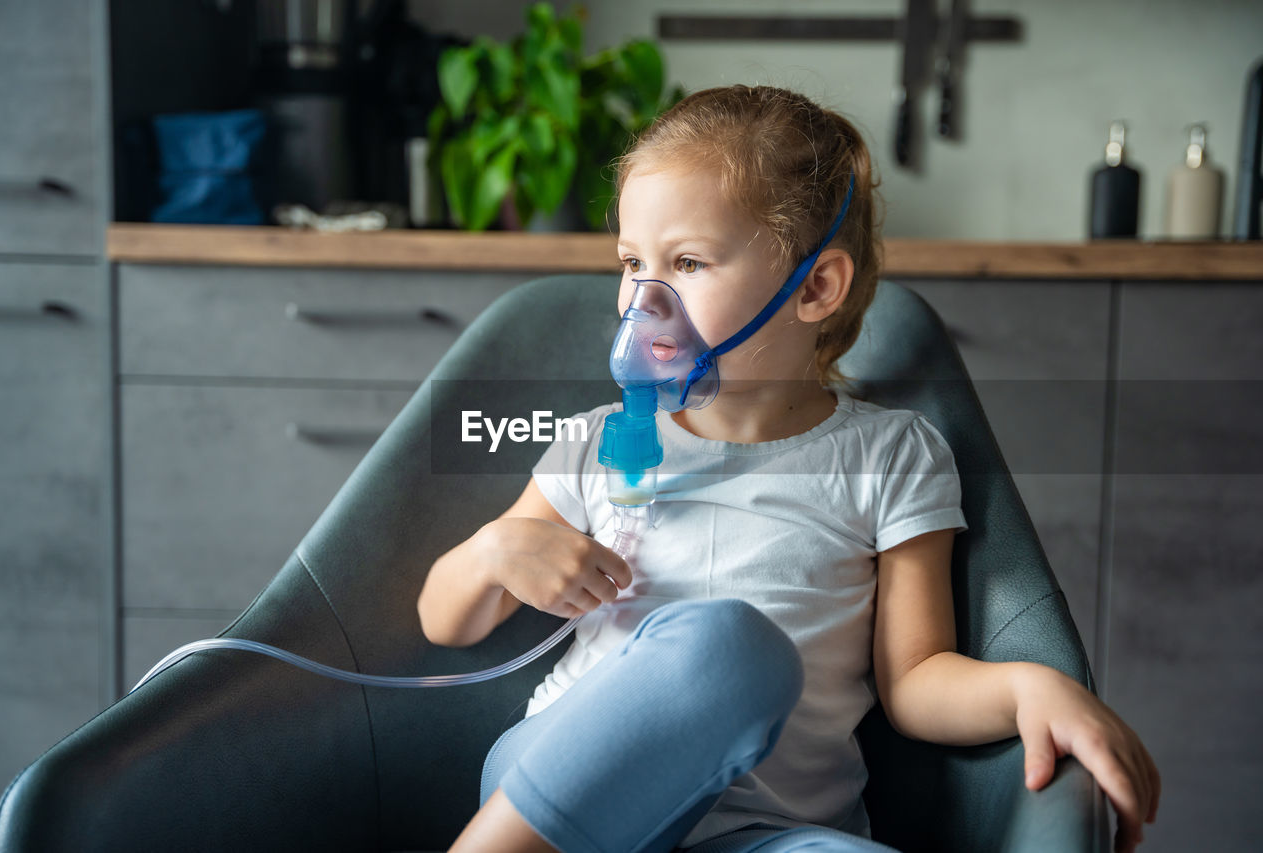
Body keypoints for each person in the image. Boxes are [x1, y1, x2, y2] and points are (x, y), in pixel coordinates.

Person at [417, 85, 1159, 853]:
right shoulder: (592, 443)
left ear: (816, 287)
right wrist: (494, 553)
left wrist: (1030, 685)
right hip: (562, 804)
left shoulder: (890, 456)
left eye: (689, 262)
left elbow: (915, 680)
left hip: (766, 833)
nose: (644, 298)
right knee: (731, 648)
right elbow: (444, 619)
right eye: (632, 262)